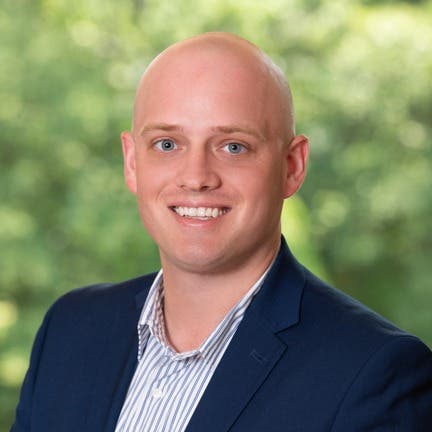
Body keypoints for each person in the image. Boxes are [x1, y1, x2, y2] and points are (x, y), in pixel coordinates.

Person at [11, 32, 432, 432]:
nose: (196, 177)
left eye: (233, 146)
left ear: (292, 166)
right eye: (167, 144)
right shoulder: (70, 331)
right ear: (132, 162)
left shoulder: (375, 373)